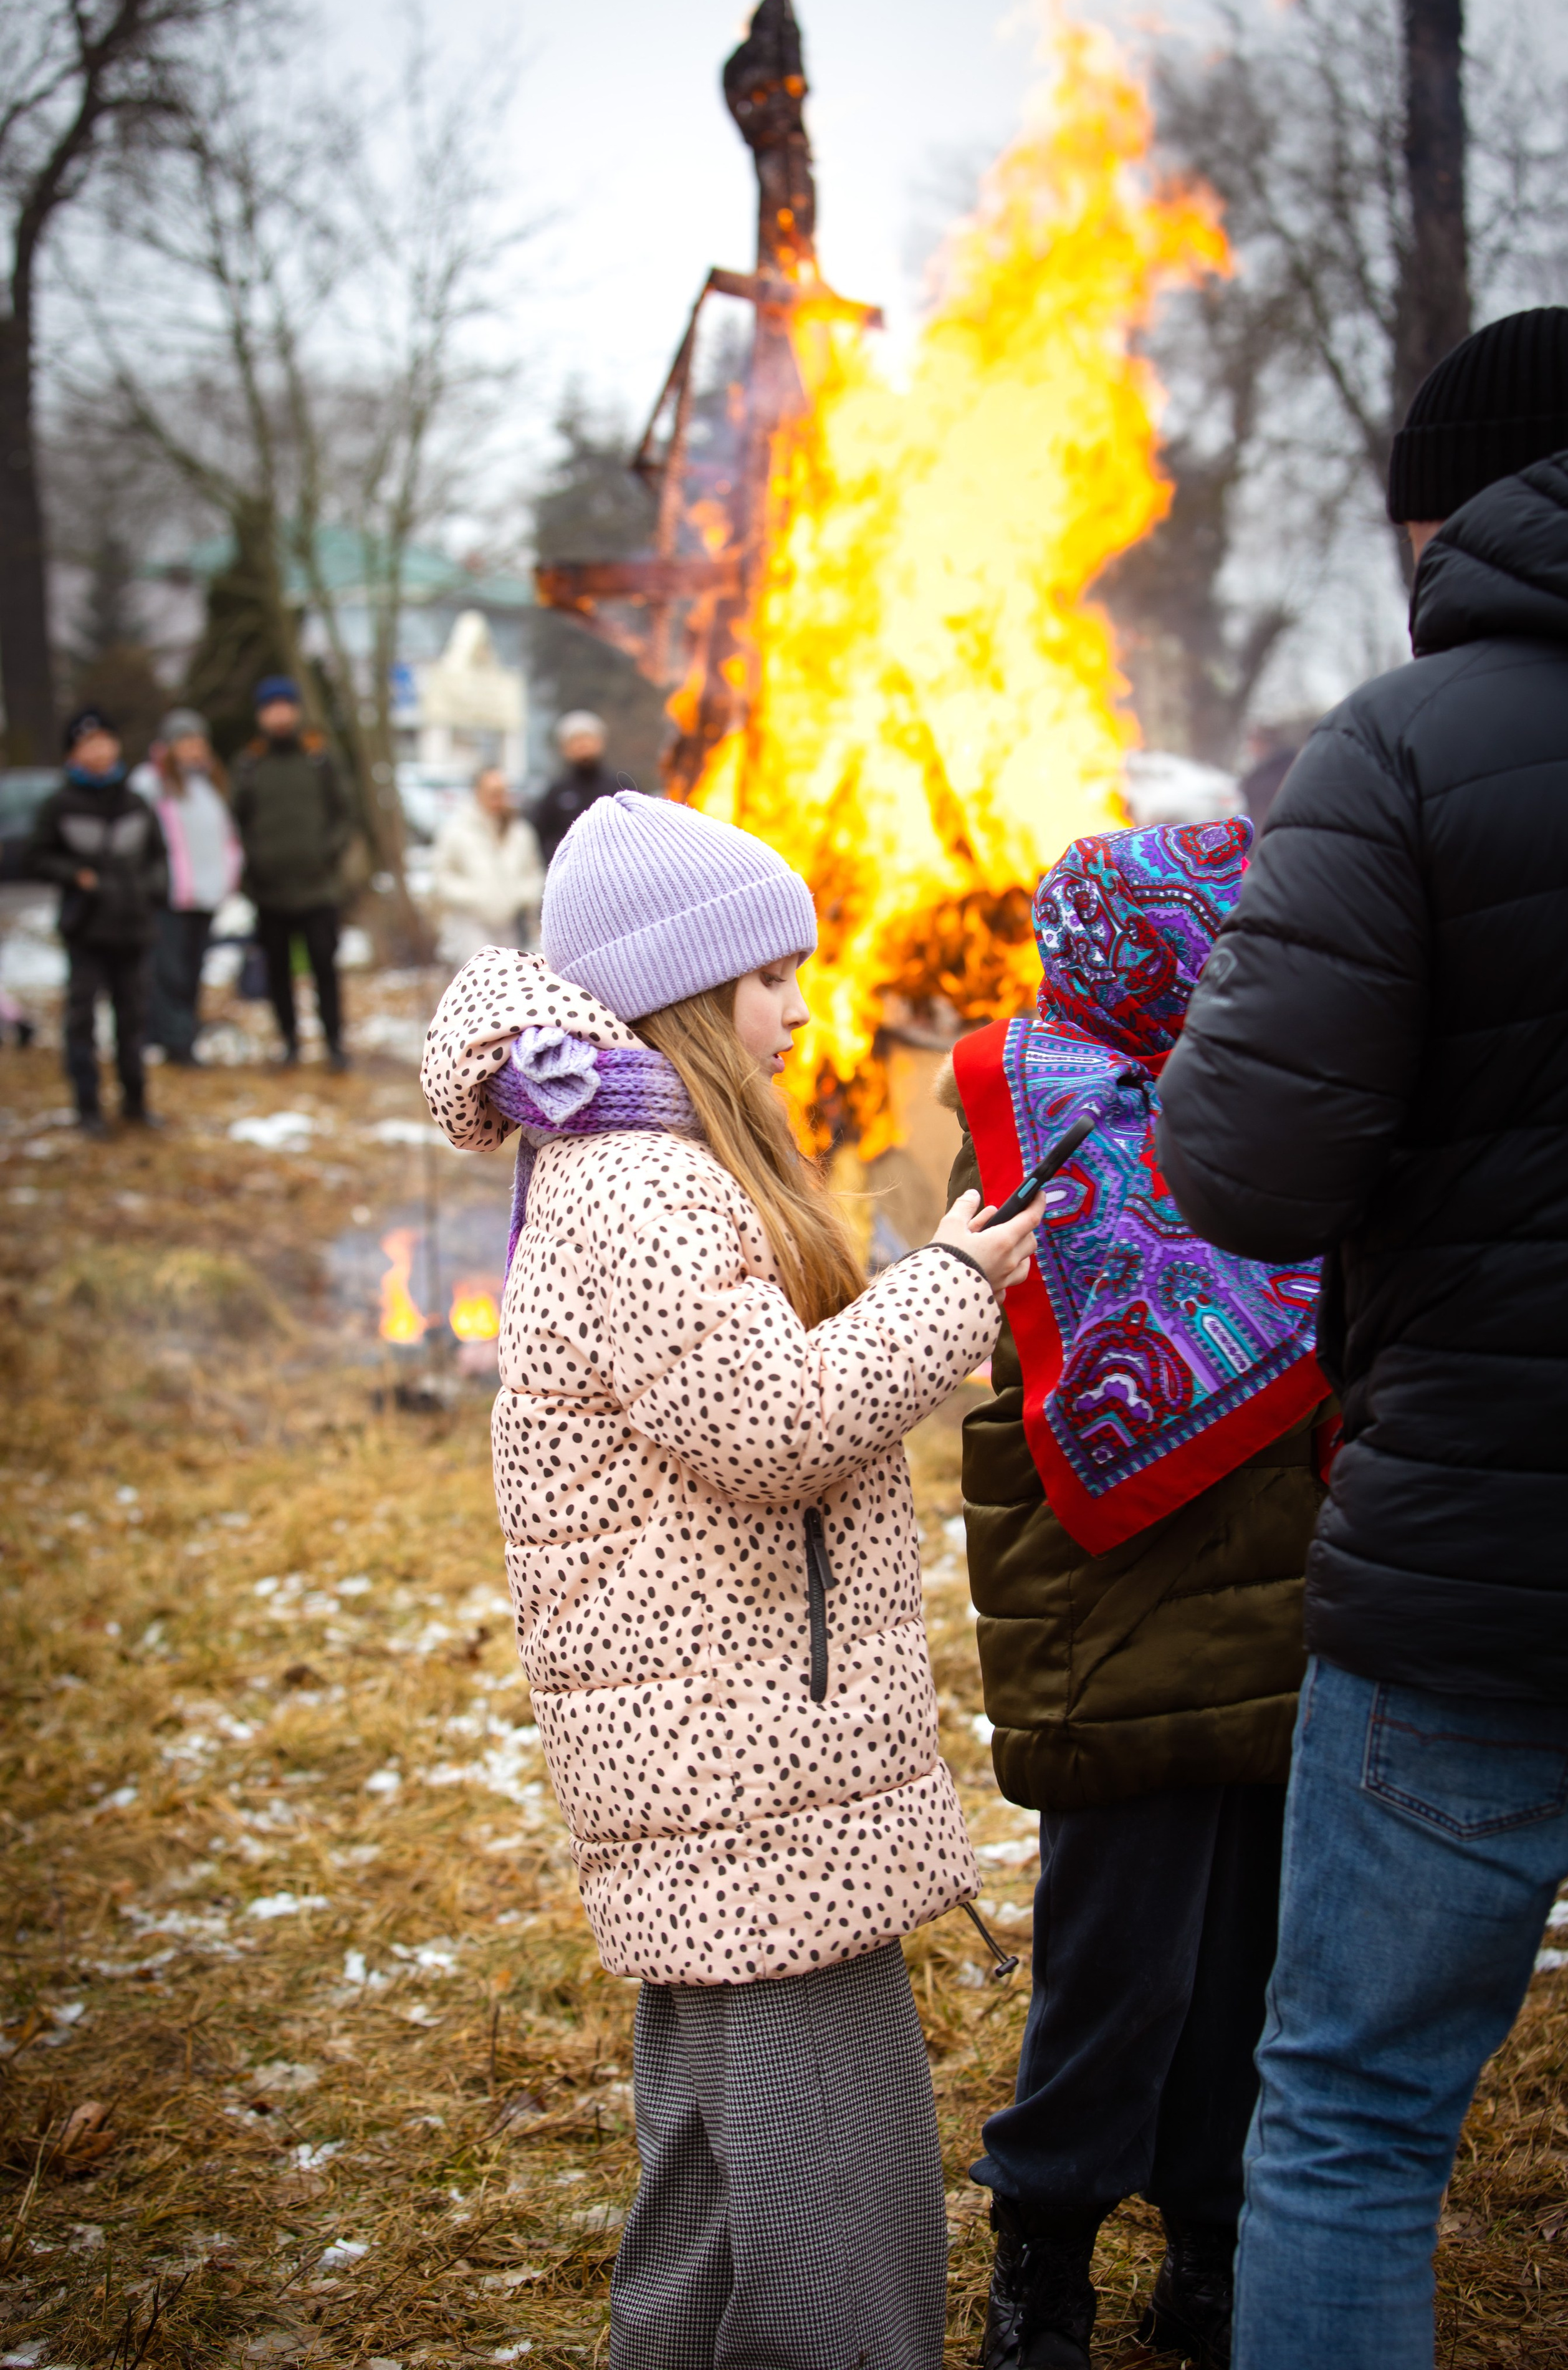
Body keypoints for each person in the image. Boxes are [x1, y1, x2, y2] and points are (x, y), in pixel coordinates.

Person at [421, 790, 1045, 2370]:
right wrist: (946, 1291)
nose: (794, 1009)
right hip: (747, 1768)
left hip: (721, 1757)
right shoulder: (643, 1184)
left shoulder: (635, 1162)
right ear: (681, 989)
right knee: (840, 2213)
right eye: (769, 977)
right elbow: (759, 1425)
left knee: (713, 2181)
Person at [1154, 305, 1568, 2370]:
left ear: (1451, 519)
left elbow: (1240, 1170)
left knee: (1346, 2120)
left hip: (1479, 1580)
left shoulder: (1399, 753)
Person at [942, 821, 1333, 2370]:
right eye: (1218, 939)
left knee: (1247, 1952)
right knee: (1114, 1963)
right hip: (1117, 1626)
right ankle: (1041, 2243)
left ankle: (1212, 2248)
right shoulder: (1043, 1108)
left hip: (1276, 1599)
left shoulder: (1273, 1099)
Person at [26, 706, 167, 1135]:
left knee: (134, 1020)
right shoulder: (59, 804)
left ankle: (136, 1102)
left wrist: (147, 891)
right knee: (83, 1022)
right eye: (88, 743)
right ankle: (87, 1107)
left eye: (105, 740)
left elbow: (159, 858)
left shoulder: (136, 802)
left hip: (132, 927)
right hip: (86, 930)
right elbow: (36, 857)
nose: (99, 750)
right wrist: (76, 876)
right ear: (74, 752)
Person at [231, 675, 355, 1070]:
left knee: (324, 968)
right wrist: (255, 863)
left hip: (319, 890)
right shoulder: (250, 765)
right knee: (279, 973)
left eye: (285, 706)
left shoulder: (318, 758)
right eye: (271, 709)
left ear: (296, 710)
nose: (279, 715)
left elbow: (344, 813)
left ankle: (334, 1044)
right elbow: (235, 823)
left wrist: (328, 853)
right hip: (270, 892)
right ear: (261, 715)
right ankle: (289, 1043)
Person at [130, 708, 239, 1065]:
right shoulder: (150, 783)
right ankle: (174, 1042)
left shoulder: (208, 783)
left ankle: (184, 1033)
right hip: (170, 896)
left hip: (207, 895)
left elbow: (222, 836)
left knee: (192, 970)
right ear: (170, 745)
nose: (194, 748)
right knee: (170, 972)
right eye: (186, 741)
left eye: (199, 741)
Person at [432, 764, 542, 963]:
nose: (498, 799)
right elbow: (442, 876)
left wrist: (521, 896)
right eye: (492, 793)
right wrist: (473, 895)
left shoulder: (520, 832)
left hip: (512, 926)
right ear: (478, 793)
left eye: (502, 792)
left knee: (511, 982)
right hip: (471, 924)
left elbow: (534, 873)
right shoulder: (456, 830)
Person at [530, 708, 627, 862]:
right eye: (575, 741)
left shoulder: (620, 785)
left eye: (587, 739)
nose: (582, 746)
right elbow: (540, 835)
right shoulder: (556, 792)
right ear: (564, 748)